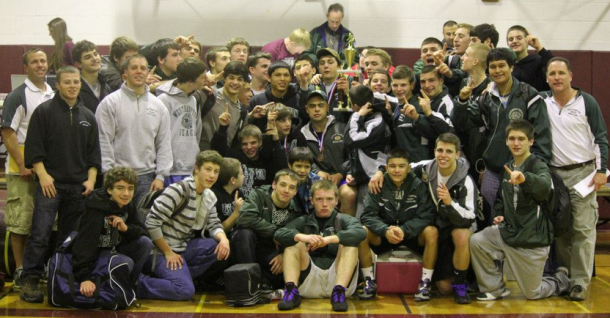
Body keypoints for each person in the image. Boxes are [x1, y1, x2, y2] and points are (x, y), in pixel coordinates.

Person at [20, 66, 101, 303]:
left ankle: (60, 277)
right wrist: (43, 176)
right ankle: (30, 278)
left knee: (69, 237)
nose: (73, 86)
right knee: (41, 234)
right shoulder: (44, 112)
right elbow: (34, 150)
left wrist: (92, 178)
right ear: (58, 84)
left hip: (78, 187)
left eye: (76, 82)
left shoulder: (88, 116)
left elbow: (94, 154)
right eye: (67, 82)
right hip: (50, 185)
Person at [469, 119, 570, 301]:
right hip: (509, 233)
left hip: (532, 239)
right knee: (477, 241)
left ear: (531, 141)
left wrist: (525, 179)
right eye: (512, 139)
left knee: (533, 294)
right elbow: (500, 198)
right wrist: (499, 214)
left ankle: (559, 280)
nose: (516, 143)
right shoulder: (507, 166)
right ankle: (495, 288)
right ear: (506, 141)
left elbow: (545, 187)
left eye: (521, 139)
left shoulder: (538, 166)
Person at [452, 48, 551, 224]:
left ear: (511, 67)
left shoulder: (529, 95)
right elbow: (463, 124)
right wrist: (461, 101)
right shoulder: (485, 98)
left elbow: (541, 135)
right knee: (492, 218)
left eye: (501, 66)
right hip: (494, 169)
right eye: (493, 67)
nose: (497, 70)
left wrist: (535, 168)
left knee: (521, 218)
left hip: (523, 170)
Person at [543, 57, 609, 301]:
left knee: (582, 229)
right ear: (547, 77)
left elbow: (601, 138)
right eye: (552, 73)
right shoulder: (542, 101)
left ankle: (580, 282)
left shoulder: (586, 102)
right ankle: (567, 277)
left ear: (571, 75)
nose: (557, 77)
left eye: (561, 73)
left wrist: (602, 171)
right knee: (561, 230)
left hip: (583, 174)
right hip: (555, 175)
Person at [138, 150, 230, 300]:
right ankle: (136, 282)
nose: (212, 175)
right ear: (196, 169)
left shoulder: (209, 195)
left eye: (216, 171)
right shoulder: (178, 190)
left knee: (217, 247)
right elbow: (151, 222)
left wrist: (224, 239)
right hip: (160, 251)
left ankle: (178, 274)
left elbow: (214, 224)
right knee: (184, 290)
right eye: (208, 169)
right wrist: (168, 252)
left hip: (181, 247)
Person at [1, 48, 54, 289]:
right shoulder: (17, 95)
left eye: (43, 61)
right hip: (22, 169)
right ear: (26, 67)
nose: (40, 65)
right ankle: (21, 269)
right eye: (34, 62)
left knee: (43, 223)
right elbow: (8, 132)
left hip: (47, 168)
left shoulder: (53, 93)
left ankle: (39, 268)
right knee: (21, 222)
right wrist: (22, 164)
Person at [358, 148, 437, 302]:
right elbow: (367, 216)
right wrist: (385, 229)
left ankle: (425, 283)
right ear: (386, 168)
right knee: (362, 232)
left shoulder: (419, 185)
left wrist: (404, 230)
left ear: (409, 168)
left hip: (411, 235)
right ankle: (369, 281)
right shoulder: (377, 184)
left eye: (401, 166)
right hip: (385, 235)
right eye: (392, 166)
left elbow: (427, 215)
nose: (397, 170)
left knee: (432, 231)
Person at [275, 179, 366, 312]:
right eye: (319, 199)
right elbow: (279, 233)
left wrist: (329, 239)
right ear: (311, 200)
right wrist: (303, 237)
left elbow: (360, 232)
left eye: (329, 199)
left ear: (336, 200)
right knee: (293, 242)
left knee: (349, 244)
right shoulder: (304, 220)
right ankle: (291, 292)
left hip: (339, 281)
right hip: (308, 281)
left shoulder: (344, 219)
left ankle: (339, 292)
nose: (324, 204)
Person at [96, 54, 172, 208]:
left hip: (147, 177)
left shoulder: (158, 106)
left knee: (141, 225)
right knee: (115, 224)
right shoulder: (110, 103)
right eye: (134, 68)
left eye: (143, 68)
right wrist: (110, 175)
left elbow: (164, 143)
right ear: (125, 74)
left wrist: (160, 176)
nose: (139, 72)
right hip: (117, 175)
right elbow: (104, 141)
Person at [411, 133, 478, 304]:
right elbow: (403, 166)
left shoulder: (466, 181)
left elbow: (469, 218)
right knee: (443, 288)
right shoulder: (427, 167)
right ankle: (429, 280)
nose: (443, 155)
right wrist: (380, 173)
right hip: (439, 228)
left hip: (458, 227)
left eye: (449, 151)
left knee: (461, 234)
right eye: (440, 150)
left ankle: (461, 284)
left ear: (457, 154)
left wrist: (449, 203)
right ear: (434, 151)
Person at [72, 167, 153, 296]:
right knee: (126, 262)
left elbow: (143, 231)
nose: (126, 193)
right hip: (96, 256)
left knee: (145, 243)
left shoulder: (128, 205)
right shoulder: (95, 210)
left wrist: (125, 228)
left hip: (115, 250)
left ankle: (129, 288)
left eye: (130, 189)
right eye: (120, 188)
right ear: (109, 189)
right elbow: (84, 245)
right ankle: (106, 285)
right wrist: (84, 278)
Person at [233, 169, 303, 290]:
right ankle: (249, 283)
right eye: (282, 185)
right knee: (244, 233)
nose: (286, 190)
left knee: (285, 265)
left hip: (272, 251)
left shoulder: (296, 211)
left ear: (295, 192)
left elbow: (294, 238)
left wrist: (283, 254)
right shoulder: (258, 195)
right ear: (274, 184)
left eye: (292, 188)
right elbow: (244, 219)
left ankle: (264, 282)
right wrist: (275, 232)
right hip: (251, 246)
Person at [156, 57, 207, 186]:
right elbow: (159, 136)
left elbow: (197, 132)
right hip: (170, 170)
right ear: (190, 81)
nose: (205, 80)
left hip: (190, 167)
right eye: (202, 77)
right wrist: (162, 170)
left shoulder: (193, 99)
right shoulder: (163, 100)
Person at [200, 61, 249, 151]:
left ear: (244, 82)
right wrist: (201, 84)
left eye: (239, 79)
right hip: (201, 157)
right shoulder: (208, 95)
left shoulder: (243, 111)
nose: (235, 82)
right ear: (224, 79)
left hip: (224, 160)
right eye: (231, 78)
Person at [507, 25, 553, 92]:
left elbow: (554, 66)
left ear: (527, 41)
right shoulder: (508, 66)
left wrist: (539, 47)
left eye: (519, 38)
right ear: (508, 44)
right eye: (511, 39)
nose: (514, 41)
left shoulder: (538, 61)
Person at [72, 40, 112, 113]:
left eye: (95, 54)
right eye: (87, 57)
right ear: (78, 64)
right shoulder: (75, 88)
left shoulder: (106, 86)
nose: (94, 59)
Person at [211, 157, 245, 237]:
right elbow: (218, 230)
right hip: (219, 239)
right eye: (241, 174)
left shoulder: (238, 193)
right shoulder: (214, 196)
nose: (243, 176)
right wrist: (236, 212)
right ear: (233, 180)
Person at [288, 147, 321, 214]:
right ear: (290, 165)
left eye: (307, 167)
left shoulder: (318, 182)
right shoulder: (282, 182)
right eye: (299, 166)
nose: (303, 171)